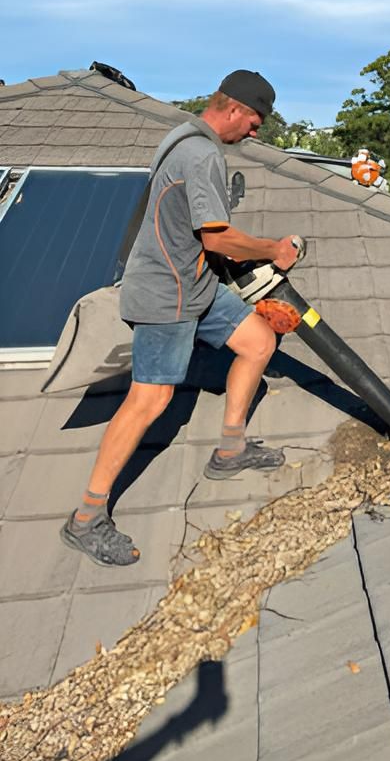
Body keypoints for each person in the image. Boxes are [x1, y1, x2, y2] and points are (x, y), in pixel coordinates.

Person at [61, 70, 301, 567]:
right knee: (150, 400)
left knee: (257, 342)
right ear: (233, 109)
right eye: (254, 123)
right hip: (165, 294)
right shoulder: (202, 153)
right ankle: (86, 518)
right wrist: (272, 250)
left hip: (197, 286)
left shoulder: (182, 134)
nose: (254, 134)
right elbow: (215, 236)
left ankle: (230, 450)